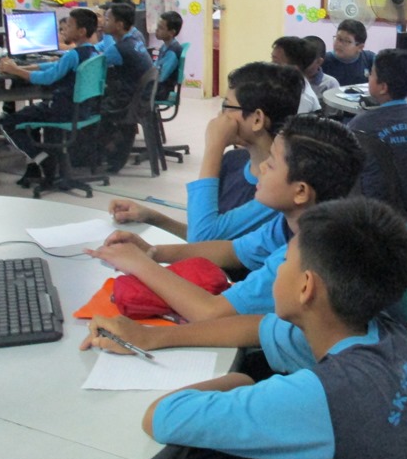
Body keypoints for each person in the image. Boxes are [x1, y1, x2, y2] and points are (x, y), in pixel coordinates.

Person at [81, 197, 407, 459]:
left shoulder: (326, 395)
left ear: (306, 287)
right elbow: (258, 327)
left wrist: (238, 381)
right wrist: (151, 336)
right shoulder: (378, 327)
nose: (275, 270)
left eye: (284, 262)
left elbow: (162, 416)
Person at [87, 114, 363, 323]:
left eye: (271, 164)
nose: (262, 168)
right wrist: (153, 252)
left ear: (300, 192)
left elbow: (210, 312)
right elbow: (232, 250)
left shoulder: (304, 254)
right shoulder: (290, 223)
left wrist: (139, 264)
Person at [109, 61, 303, 243]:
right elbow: (205, 234)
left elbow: (203, 237)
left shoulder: (278, 191)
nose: (220, 115)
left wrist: (214, 146)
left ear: (257, 119)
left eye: (227, 106)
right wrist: (151, 217)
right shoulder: (233, 160)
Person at [0, 8, 101, 186]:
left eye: (69, 26)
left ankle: (43, 159)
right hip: (83, 110)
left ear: (81, 31)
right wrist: (23, 68)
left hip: (62, 110)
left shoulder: (73, 55)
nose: (64, 30)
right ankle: (41, 162)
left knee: (7, 122)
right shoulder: (93, 52)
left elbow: (47, 78)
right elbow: (55, 66)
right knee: (29, 114)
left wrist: (16, 71)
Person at [347, 48, 407, 214]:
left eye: (371, 74)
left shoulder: (360, 124)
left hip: (375, 211)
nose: (368, 77)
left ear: (383, 87)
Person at [96, 1, 154, 172]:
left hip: (127, 102)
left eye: (108, 19)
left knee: (87, 108)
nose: (103, 22)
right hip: (140, 98)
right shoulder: (134, 40)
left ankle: (96, 155)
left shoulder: (119, 49)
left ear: (119, 25)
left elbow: (93, 65)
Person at [271, 35, 321, 113]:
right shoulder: (279, 86)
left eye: (276, 62)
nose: (270, 66)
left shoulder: (303, 99)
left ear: (294, 69)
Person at [320, 19, 376, 86]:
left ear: (360, 47)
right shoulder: (323, 61)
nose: (339, 44)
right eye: (338, 38)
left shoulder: (369, 59)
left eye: (346, 41)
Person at [153, 10, 183, 100]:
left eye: (161, 28)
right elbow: (155, 66)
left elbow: (162, 77)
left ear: (171, 32)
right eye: (157, 26)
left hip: (162, 91)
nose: (156, 30)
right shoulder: (165, 46)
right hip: (158, 87)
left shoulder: (172, 52)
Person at [302, 34, 339, 107]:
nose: (301, 62)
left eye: (306, 59)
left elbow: (333, 111)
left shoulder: (330, 83)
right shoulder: (291, 78)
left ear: (319, 61)